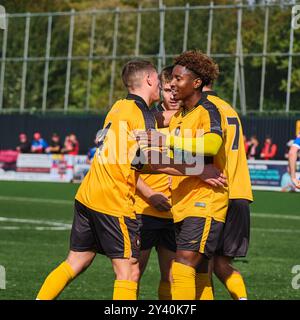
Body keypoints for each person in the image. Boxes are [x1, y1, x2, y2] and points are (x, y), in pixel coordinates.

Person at [36, 59, 161, 300]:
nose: (160, 85)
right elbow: (153, 161)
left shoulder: (117, 107)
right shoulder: (143, 116)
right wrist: (196, 169)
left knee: (77, 261)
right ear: (148, 80)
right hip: (113, 200)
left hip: (88, 195)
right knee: (129, 270)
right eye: (157, 80)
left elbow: (129, 156)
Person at [136, 50, 232, 300]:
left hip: (205, 202)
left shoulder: (208, 110)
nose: (173, 84)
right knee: (199, 273)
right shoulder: (179, 117)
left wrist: (164, 138)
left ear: (196, 82)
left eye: (179, 79)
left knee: (182, 267)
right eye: (171, 80)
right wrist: (137, 162)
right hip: (182, 205)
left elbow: (211, 145)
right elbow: (171, 160)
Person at [135, 66, 180, 300]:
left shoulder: (191, 120)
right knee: (133, 272)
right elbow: (130, 167)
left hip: (176, 214)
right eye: (168, 90)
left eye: (177, 89)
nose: (173, 95)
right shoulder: (147, 119)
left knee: (171, 277)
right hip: (144, 210)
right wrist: (150, 193)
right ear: (160, 90)